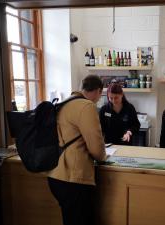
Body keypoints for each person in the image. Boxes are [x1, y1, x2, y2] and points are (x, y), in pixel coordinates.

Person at [47, 75, 106, 225]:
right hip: (74, 177)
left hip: (55, 174)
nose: (99, 99)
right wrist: (102, 158)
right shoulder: (86, 106)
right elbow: (96, 147)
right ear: (99, 91)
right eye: (100, 95)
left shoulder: (63, 102)